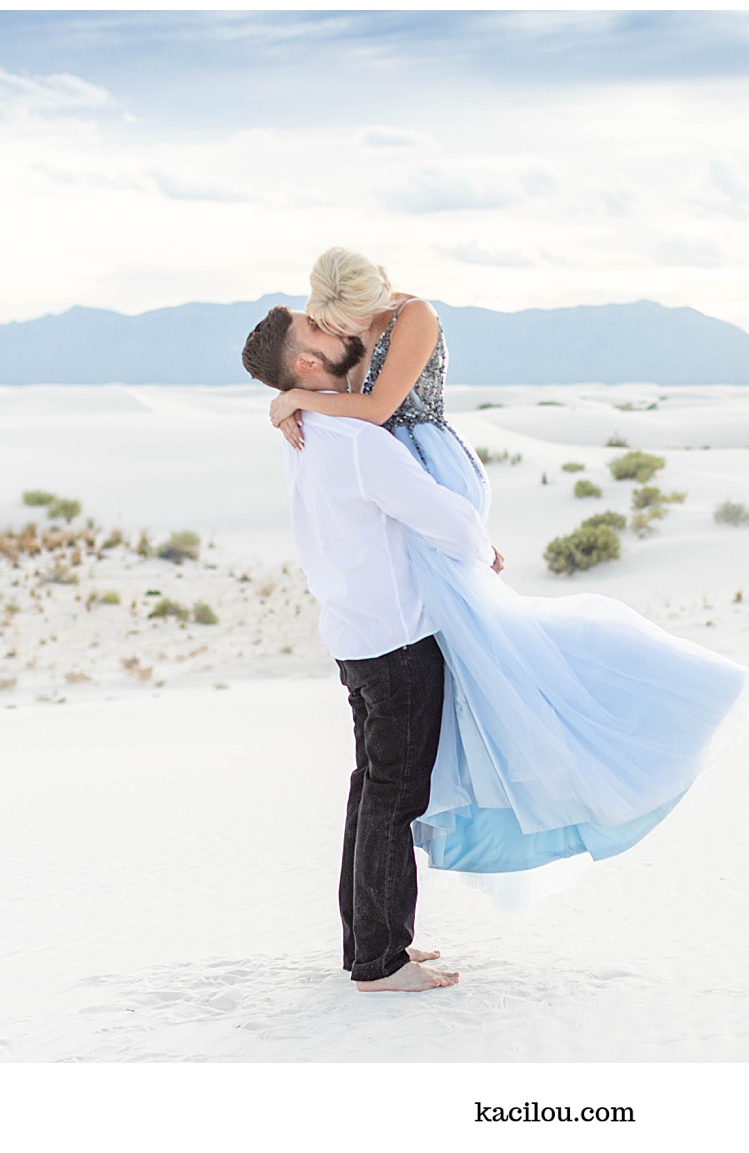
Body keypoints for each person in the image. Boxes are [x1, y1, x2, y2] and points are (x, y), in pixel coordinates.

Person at [249, 248, 749, 877]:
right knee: (466, 647)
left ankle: (615, 729)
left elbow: (381, 409)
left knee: (481, 636)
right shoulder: (347, 330)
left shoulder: (413, 314)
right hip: (396, 475)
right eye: (327, 325)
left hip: (425, 467)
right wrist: (298, 397)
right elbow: (350, 404)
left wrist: (299, 399)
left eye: (340, 319)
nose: (337, 331)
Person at [244, 304, 498, 991]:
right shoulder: (353, 439)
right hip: (397, 639)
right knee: (393, 796)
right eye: (317, 330)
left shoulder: (305, 430)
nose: (334, 329)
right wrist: (484, 549)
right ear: (305, 365)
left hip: (357, 635)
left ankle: (373, 942)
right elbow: (437, 512)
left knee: (373, 791)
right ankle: (379, 962)